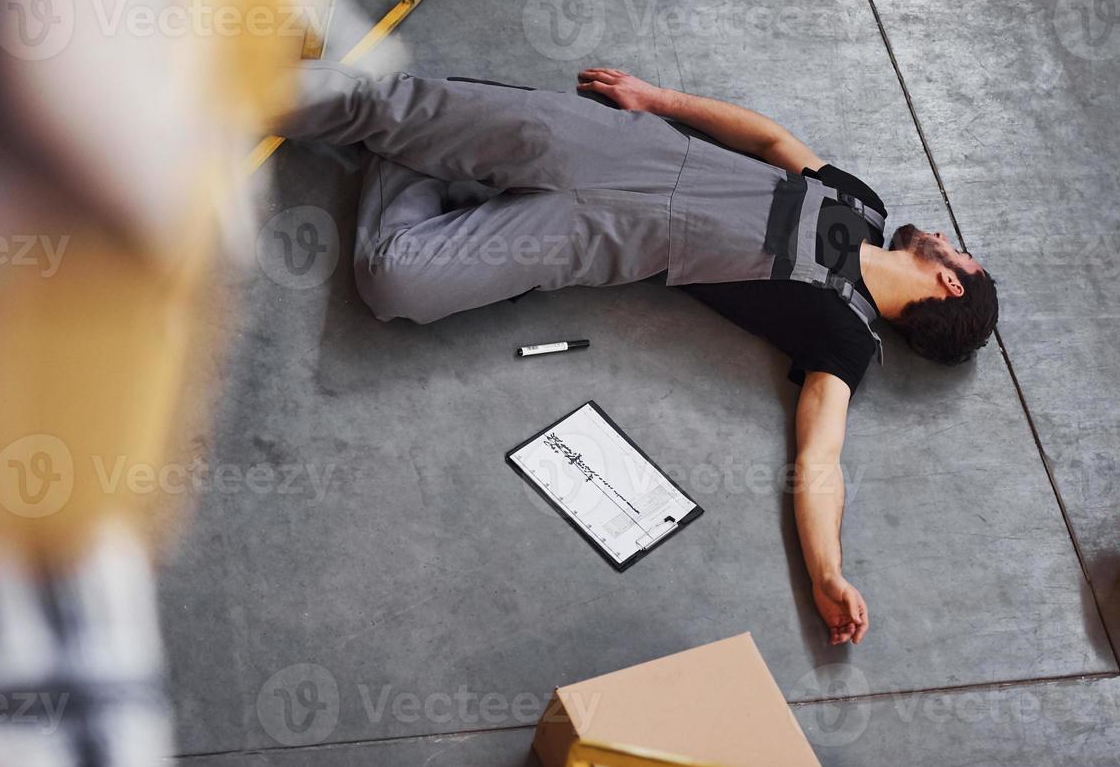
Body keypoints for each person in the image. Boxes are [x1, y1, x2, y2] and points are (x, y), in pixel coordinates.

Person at [276, 64, 999, 647]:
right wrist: (654, 98)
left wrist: (829, 572)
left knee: (395, 280)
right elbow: (773, 142)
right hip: (615, 144)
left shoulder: (846, 338)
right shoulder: (862, 205)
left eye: (960, 249)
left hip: (596, 236)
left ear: (948, 281)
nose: (945, 233)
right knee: (387, 104)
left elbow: (819, 462)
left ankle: (418, 147)